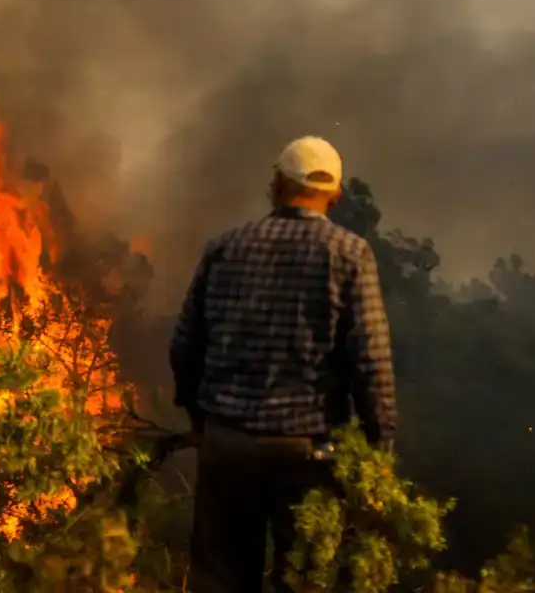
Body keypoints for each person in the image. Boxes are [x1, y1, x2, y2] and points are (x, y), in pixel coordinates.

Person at [169, 135, 398, 593]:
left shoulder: (225, 247)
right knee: (304, 578)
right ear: (334, 194)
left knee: (220, 580)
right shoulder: (349, 254)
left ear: (276, 183)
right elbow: (371, 362)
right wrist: (379, 450)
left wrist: (200, 420)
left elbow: (184, 345)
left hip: (227, 446)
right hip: (307, 453)